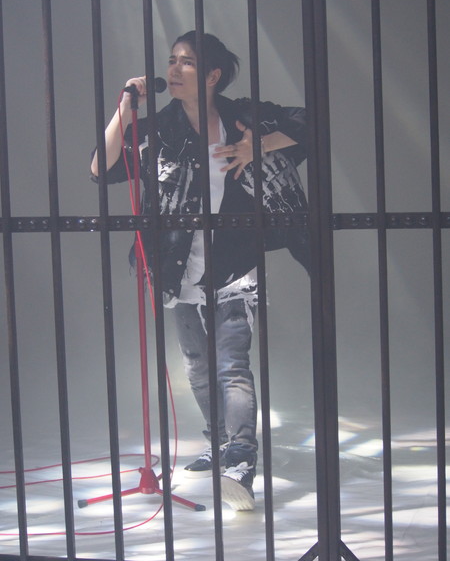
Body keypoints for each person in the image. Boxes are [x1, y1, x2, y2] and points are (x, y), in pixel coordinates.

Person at [91, 31, 309, 511]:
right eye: (172, 60)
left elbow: (313, 121)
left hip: (233, 263)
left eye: (186, 62)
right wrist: (124, 110)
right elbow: (100, 168)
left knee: (233, 363)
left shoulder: (243, 118)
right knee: (196, 363)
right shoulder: (160, 128)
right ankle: (219, 441)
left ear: (212, 75)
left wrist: (258, 146)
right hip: (175, 265)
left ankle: (241, 461)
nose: (173, 70)